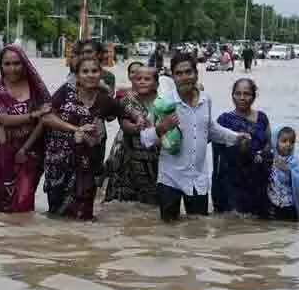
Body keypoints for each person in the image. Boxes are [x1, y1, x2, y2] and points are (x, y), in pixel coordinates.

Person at [140, 52, 249, 222]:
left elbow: (211, 129)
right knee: (167, 232)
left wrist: (236, 137)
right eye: (179, 73)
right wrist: (160, 128)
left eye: (188, 72)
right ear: (173, 76)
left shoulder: (206, 100)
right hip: (170, 178)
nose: (184, 78)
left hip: (198, 180)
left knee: (197, 233)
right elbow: (145, 139)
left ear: (196, 74)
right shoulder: (162, 104)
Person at [42, 55, 140, 219]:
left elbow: (124, 110)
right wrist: (76, 129)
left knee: (83, 217)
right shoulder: (66, 92)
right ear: (77, 75)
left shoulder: (104, 100)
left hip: (88, 165)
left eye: (94, 71)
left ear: (100, 74)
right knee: (57, 217)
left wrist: (138, 117)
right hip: (60, 164)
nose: (90, 75)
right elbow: (46, 116)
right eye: (85, 71)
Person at [0, 44, 51, 213]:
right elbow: (3, 118)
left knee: (23, 202)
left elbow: (48, 116)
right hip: (5, 149)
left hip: (33, 150)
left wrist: (26, 148)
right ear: (1, 65)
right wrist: (33, 115)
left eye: (17, 63)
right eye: (7, 64)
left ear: (24, 64)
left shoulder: (36, 87)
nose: (12, 69)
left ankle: (23, 236)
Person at [212, 77, 272, 217]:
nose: (242, 98)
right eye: (238, 94)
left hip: (257, 180)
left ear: (254, 96)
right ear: (232, 95)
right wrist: (239, 149)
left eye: (247, 94)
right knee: (233, 222)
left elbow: (269, 143)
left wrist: (260, 154)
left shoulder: (262, 118)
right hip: (232, 182)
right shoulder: (224, 120)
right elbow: (215, 148)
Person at [105, 64, 161, 205]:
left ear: (156, 83)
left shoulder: (163, 103)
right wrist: (137, 127)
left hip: (156, 160)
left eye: (147, 79)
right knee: (126, 204)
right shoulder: (127, 101)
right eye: (138, 78)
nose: (141, 81)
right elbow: (124, 124)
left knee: (153, 204)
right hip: (130, 160)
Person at [268, 126, 299, 220]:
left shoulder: (294, 160)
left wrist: (288, 170)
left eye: (292, 142)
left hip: (288, 204)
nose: (288, 144)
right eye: (284, 141)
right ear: (276, 142)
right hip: (272, 202)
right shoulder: (269, 157)